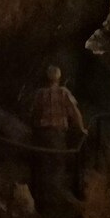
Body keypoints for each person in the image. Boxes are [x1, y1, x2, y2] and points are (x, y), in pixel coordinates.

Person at [29, 65, 87, 208]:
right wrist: (81, 128)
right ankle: (55, 199)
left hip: (42, 133)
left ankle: (41, 199)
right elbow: (74, 112)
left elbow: (33, 113)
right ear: (59, 78)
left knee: (43, 164)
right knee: (57, 164)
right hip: (57, 133)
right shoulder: (63, 93)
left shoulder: (39, 94)